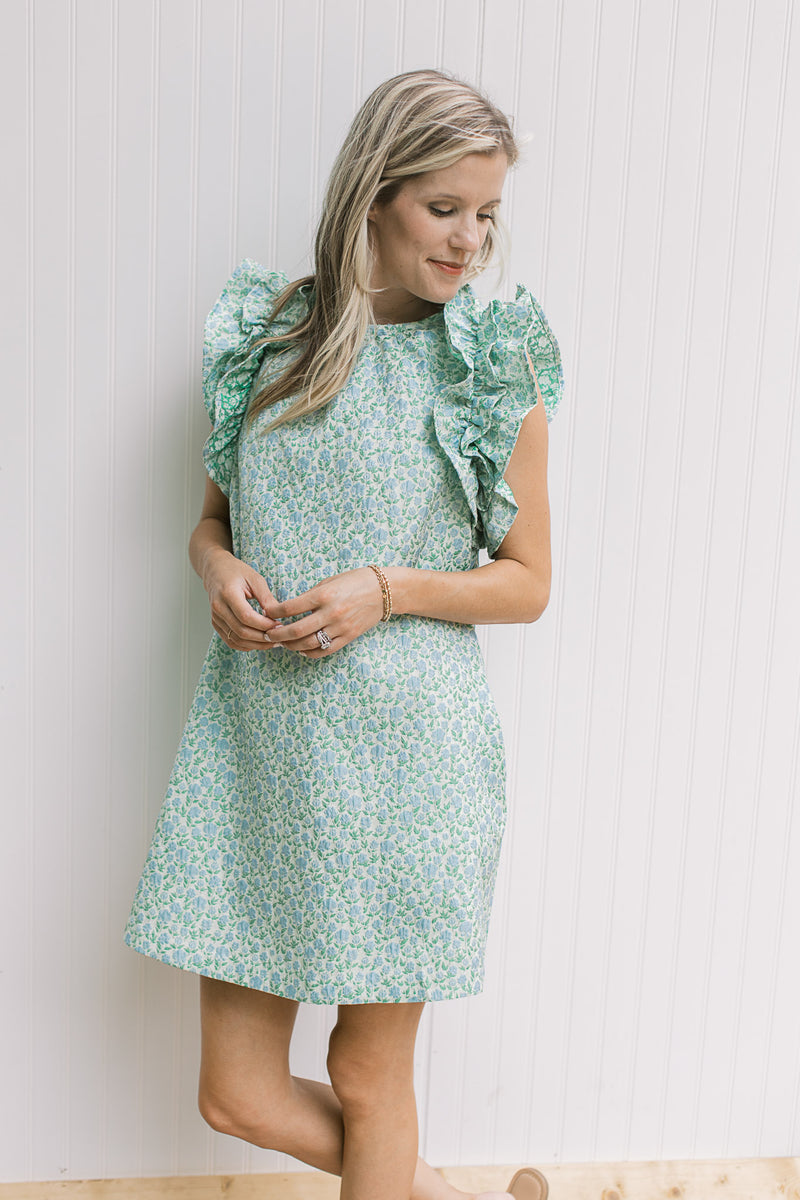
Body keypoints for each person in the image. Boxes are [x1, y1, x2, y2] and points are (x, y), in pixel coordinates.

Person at [124, 68, 562, 1200]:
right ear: (373, 192)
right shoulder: (264, 336)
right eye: (444, 208)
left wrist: (385, 587)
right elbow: (211, 522)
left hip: (409, 761)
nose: (470, 240)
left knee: (366, 1076)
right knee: (235, 1094)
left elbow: (527, 586)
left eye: (487, 214)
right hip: (257, 757)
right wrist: (216, 568)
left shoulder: (486, 363)